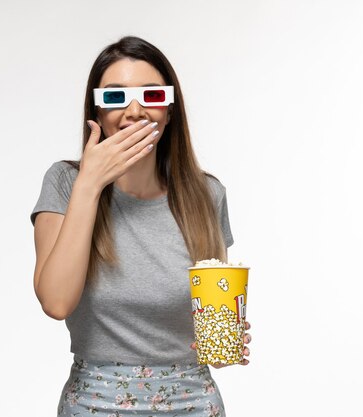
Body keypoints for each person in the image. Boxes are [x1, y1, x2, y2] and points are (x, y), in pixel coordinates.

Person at [31, 36, 252, 417]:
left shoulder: (206, 195)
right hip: (94, 403)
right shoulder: (66, 182)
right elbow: (56, 301)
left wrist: (224, 343)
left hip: (194, 401)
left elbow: (213, 323)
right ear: (97, 114)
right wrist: (90, 183)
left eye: (151, 97)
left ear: (169, 112)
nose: (134, 112)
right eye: (115, 98)